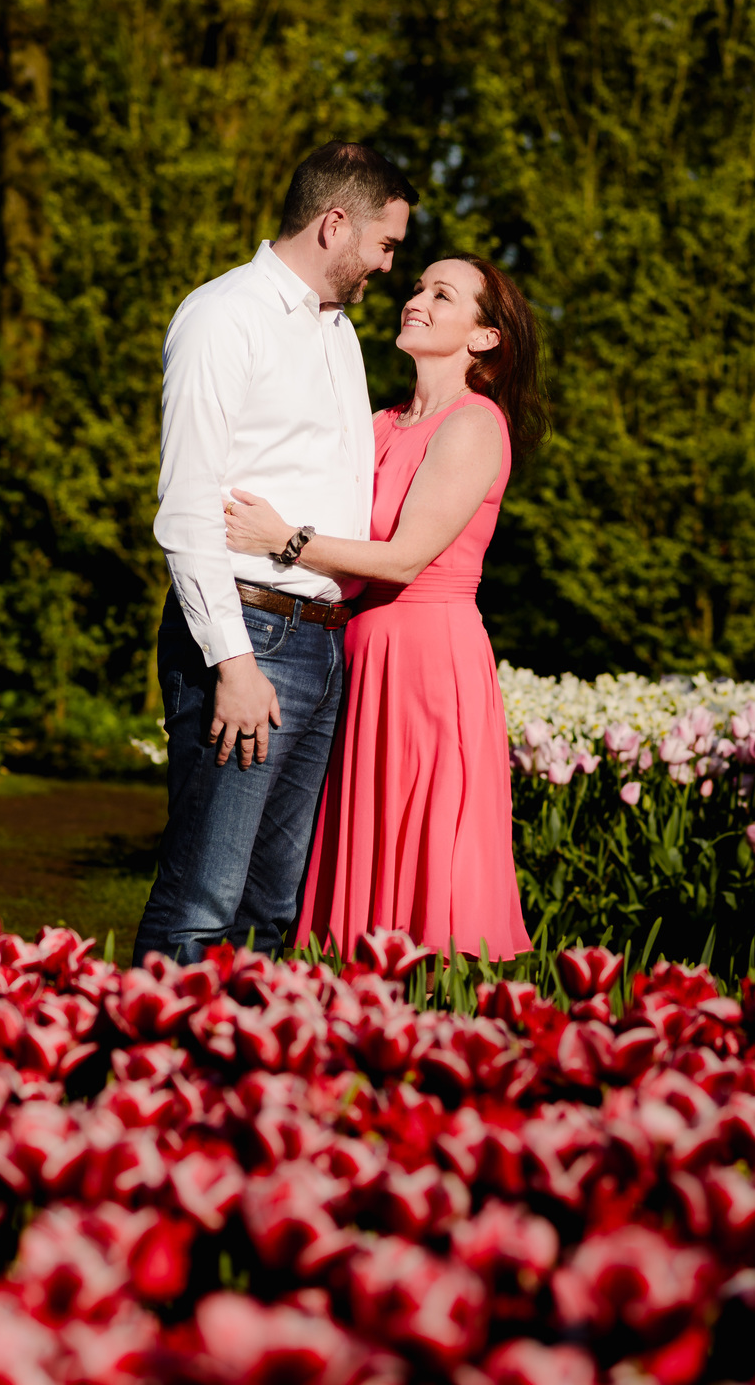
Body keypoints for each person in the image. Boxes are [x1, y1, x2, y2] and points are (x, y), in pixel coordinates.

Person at [132, 141, 419, 966]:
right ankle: (148, 1080)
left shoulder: (337, 331)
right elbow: (188, 509)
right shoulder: (224, 316)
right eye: (385, 244)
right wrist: (232, 662)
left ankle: (245, 1087)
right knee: (201, 899)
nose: (386, 266)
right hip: (249, 636)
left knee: (271, 906)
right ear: (337, 223)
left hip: (322, 640)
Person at [223, 252, 549, 960]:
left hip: (429, 659)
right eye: (418, 285)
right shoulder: (376, 424)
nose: (416, 298)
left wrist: (285, 540)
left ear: (484, 337)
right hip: (358, 652)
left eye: (443, 294)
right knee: (348, 836)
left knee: (419, 836)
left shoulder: (474, 424)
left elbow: (405, 558)